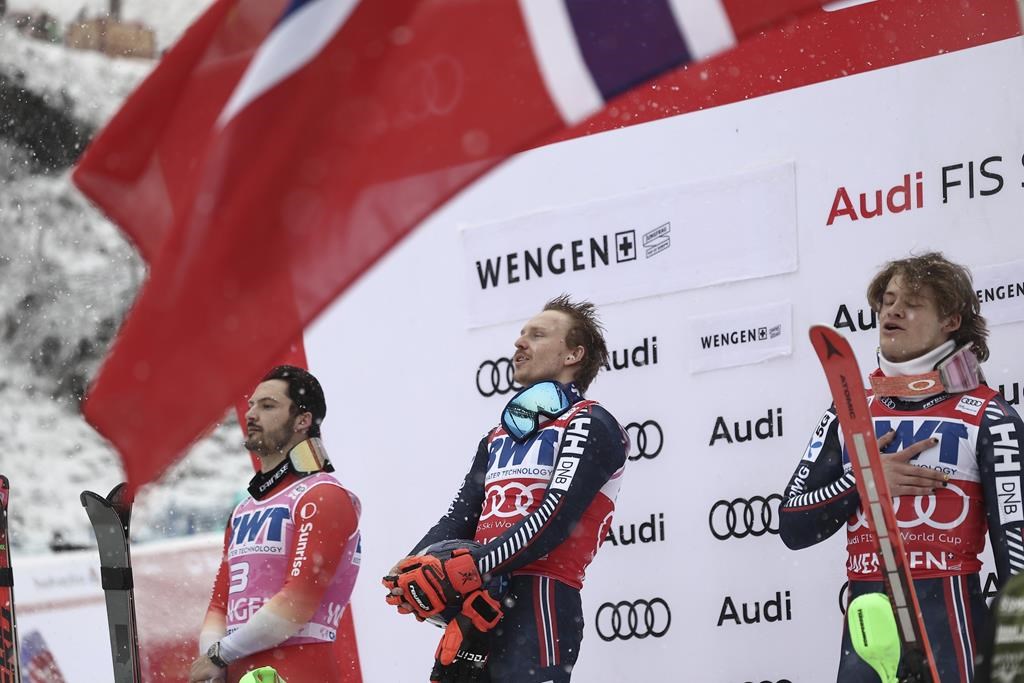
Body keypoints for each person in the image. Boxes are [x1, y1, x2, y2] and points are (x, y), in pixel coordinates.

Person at [780, 253, 1024, 682]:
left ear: (950, 320)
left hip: (952, 637)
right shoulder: (849, 411)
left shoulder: (989, 415)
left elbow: (1016, 558)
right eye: (888, 301)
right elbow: (793, 524)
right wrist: (863, 481)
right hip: (865, 641)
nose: (892, 311)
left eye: (911, 303)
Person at [383, 295, 628, 682]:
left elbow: (555, 517)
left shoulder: (590, 421)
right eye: (521, 333)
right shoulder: (496, 436)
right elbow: (461, 517)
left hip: (541, 600)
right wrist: (413, 563)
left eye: (537, 335)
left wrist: (474, 566)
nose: (519, 342)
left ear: (573, 354)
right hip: (481, 603)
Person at [189, 365, 361, 683]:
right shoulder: (243, 509)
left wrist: (219, 655)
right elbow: (220, 603)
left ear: (302, 420)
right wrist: (213, 668)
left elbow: (298, 602)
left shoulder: (322, 495)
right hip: (238, 669)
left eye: (268, 406)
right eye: (251, 405)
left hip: (301, 669)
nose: (251, 414)